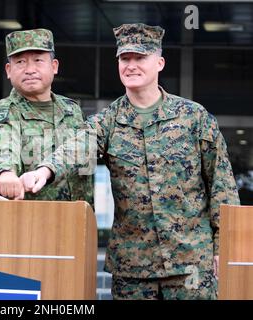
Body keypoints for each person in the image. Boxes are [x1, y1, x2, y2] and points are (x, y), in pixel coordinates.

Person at [20, 23, 240, 299]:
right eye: (125, 59)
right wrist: (45, 170)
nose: (131, 65)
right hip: (133, 269)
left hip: (191, 262)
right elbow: (76, 147)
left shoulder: (194, 117)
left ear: (159, 62)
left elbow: (222, 185)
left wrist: (225, 247)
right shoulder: (108, 121)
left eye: (140, 58)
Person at [0, 28, 93, 205]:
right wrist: (6, 172)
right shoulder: (6, 112)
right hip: (32, 224)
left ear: (54, 66)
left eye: (38, 61)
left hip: (78, 221)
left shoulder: (72, 110)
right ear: (9, 70)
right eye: (21, 62)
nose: (30, 69)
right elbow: (2, 144)